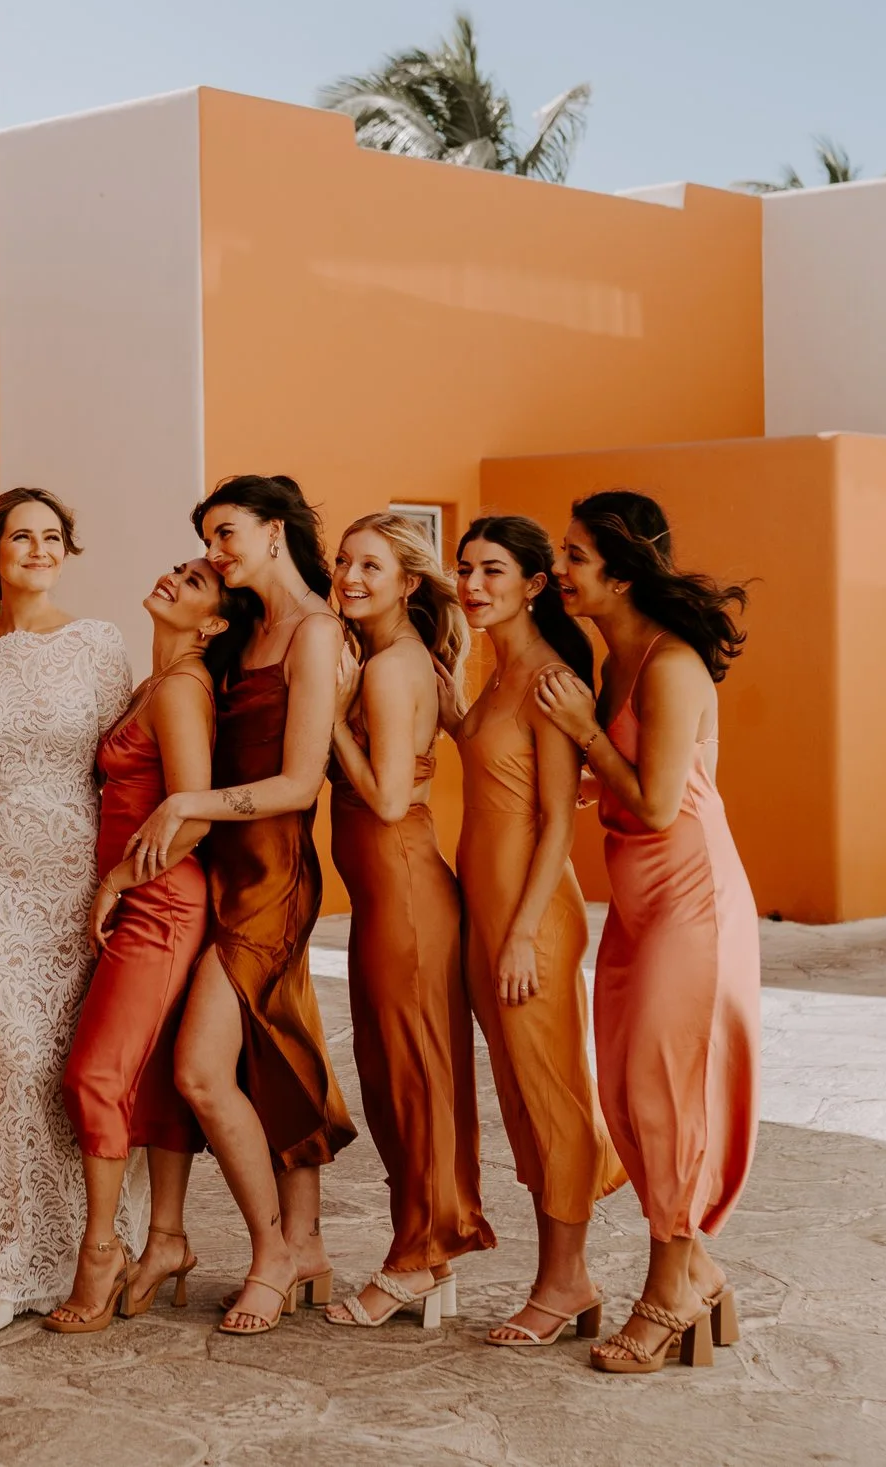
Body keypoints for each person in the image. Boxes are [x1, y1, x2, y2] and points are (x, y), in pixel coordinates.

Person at [124, 474, 355, 1336]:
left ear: (275, 529)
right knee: (272, 1052)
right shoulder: (244, 627)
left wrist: (186, 806)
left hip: (272, 878)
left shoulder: (318, 630)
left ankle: (273, 1254)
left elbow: (299, 785)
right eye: (210, 539)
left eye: (227, 534)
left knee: (200, 1070)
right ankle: (309, 1242)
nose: (215, 552)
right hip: (216, 872)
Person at [534, 489, 757, 1375]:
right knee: (624, 1094)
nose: (561, 568)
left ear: (623, 574)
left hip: (691, 901)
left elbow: (666, 801)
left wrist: (586, 734)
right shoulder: (612, 660)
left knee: (667, 1091)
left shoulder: (667, 666)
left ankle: (669, 1290)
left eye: (576, 555)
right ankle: (698, 1273)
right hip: (636, 904)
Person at [0, 488, 135, 1332]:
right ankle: (6, 1258)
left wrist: (126, 877)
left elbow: (123, 769)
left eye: (52, 536)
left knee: (73, 1065)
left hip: (77, 872)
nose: (37, 548)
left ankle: (94, 1248)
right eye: (19, 536)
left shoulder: (99, 645)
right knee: (10, 1059)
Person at [48, 558, 243, 1333]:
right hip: (146, 897)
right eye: (176, 568)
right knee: (147, 1077)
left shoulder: (183, 687)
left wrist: (117, 882)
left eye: (194, 582)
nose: (171, 577)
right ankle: (169, 1241)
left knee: (93, 1075)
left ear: (214, 624)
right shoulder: (155, 682)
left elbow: (192, 816)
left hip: (159, 901)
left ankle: (102, 1250)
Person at [452, 514, 625, 1348]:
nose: (473, 584)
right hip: (490, 916)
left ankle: (565, 1279)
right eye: (465, 569)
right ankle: (565, 1274)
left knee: (553, 1097)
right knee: (524, 1098)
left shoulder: (551, 679)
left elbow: (560, 819)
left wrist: (522, 934)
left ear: (532, 583)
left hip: (534, 922)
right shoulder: (496, 673)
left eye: (492, 570)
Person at [322, 512, 494, 1329]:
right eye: (345, 561)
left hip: (405, 896)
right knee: (401, 1079)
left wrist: (328, 725)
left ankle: (418, 1258)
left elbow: (389, 800)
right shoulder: (393, 660)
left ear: (408, 581)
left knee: (412, 1079)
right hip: (389, 898)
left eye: (371, 565)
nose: (351, 576)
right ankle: (424, 1247)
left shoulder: (390, 668)